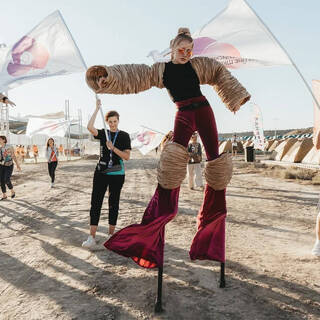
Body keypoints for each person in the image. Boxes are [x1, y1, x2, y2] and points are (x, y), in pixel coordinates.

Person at [86, 27, 250, 268]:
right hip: (183, 113)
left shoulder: (198, 65)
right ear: (172, 49)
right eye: (181, 50)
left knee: (216, 164)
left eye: (189, 50)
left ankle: (211, 228)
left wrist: (235, 95)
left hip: (204, 111)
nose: (185, 54)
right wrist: (107, 79)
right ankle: (160, 215)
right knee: (172, 163)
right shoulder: (161, 70)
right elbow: (135, 76)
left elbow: (217, 71)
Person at [82, 98, 131, 249]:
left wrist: (113, 148)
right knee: (95, 202)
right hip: (101, 172)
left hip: (117, 174)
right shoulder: (104, 133)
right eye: (110, 121)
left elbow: (127, 157)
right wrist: (97, 108)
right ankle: (92, 237)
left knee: (113, 203)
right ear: (107, 122)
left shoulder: (124, 135)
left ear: (118, 121)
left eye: (115, 121)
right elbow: (89, 127)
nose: (113, 124)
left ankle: (111, 236)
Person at [0, 136, 21, 200]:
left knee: (7, 179)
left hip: (9, 165)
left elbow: (13, 156)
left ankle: (12, 191)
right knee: (1, 180)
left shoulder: (9, 146)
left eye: (0, 139)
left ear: (4, 140)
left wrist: (17, 165)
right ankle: (4, 195)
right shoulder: (0, 148)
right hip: (1, 166)